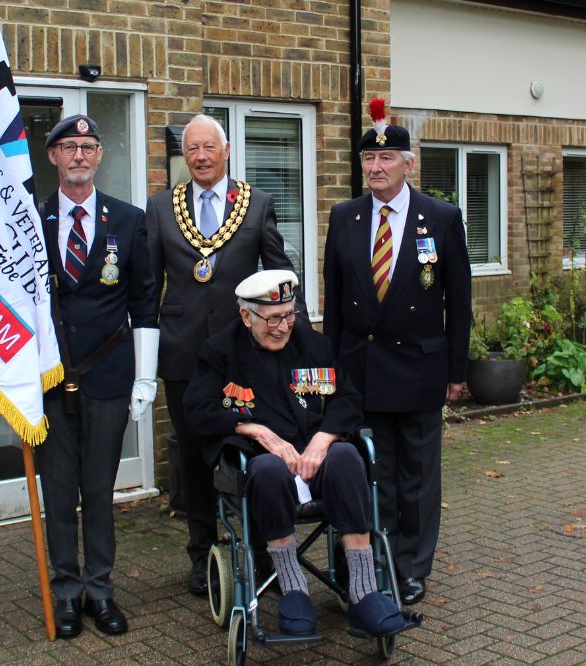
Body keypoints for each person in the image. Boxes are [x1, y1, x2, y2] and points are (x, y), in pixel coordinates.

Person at [184, 269, 406, 639]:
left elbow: (348, 397)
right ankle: (293, 589)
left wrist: (323, 440)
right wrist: (256, 430)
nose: (283, 327)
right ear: (246, 316)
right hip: (263, 468)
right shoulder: (221, 351)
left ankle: (365, 591)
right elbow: (197, 410)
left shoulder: (313, 345)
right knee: (268, 469)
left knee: (349, 457)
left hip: (317, 463)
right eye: (272, 318)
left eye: (289, 315)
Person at [146, 113, 306, 595]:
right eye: (191, 148)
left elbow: (280, 276)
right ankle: (201, 556)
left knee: (256, 451)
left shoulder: (256, 205)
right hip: (184, 355)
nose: (199, 156)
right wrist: (141, 360)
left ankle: (265, 553)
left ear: (226, 150)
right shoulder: (160, 208)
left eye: (208, 148)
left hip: (245, 354)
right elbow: (150, 285)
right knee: (194, 459)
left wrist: (302, 342)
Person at [323, 100, 472, 605]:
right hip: (362, 369)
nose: (376, 168)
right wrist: (330, 371)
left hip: (420, 368)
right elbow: (335, 301)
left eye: (387, 160)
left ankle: (411, 566)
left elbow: (460, 301)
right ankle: (375, 558)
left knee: (417, 476)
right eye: (369, 160)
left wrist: (456, 370)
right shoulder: (344, 217)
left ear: (409, 164)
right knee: (371, 473)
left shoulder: (442, 218)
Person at [37, 115, 159, 639]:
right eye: (69, 147)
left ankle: (101, 591)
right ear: (53, 158)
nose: (79, 156)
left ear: (100, 156)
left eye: (88, 147)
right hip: (47, 381)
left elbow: (145, 302)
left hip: (108, 377)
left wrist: (145, 379)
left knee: (99, 491)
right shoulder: (28, 221)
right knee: (59, 494)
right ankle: (66, 592)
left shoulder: (129, 221)